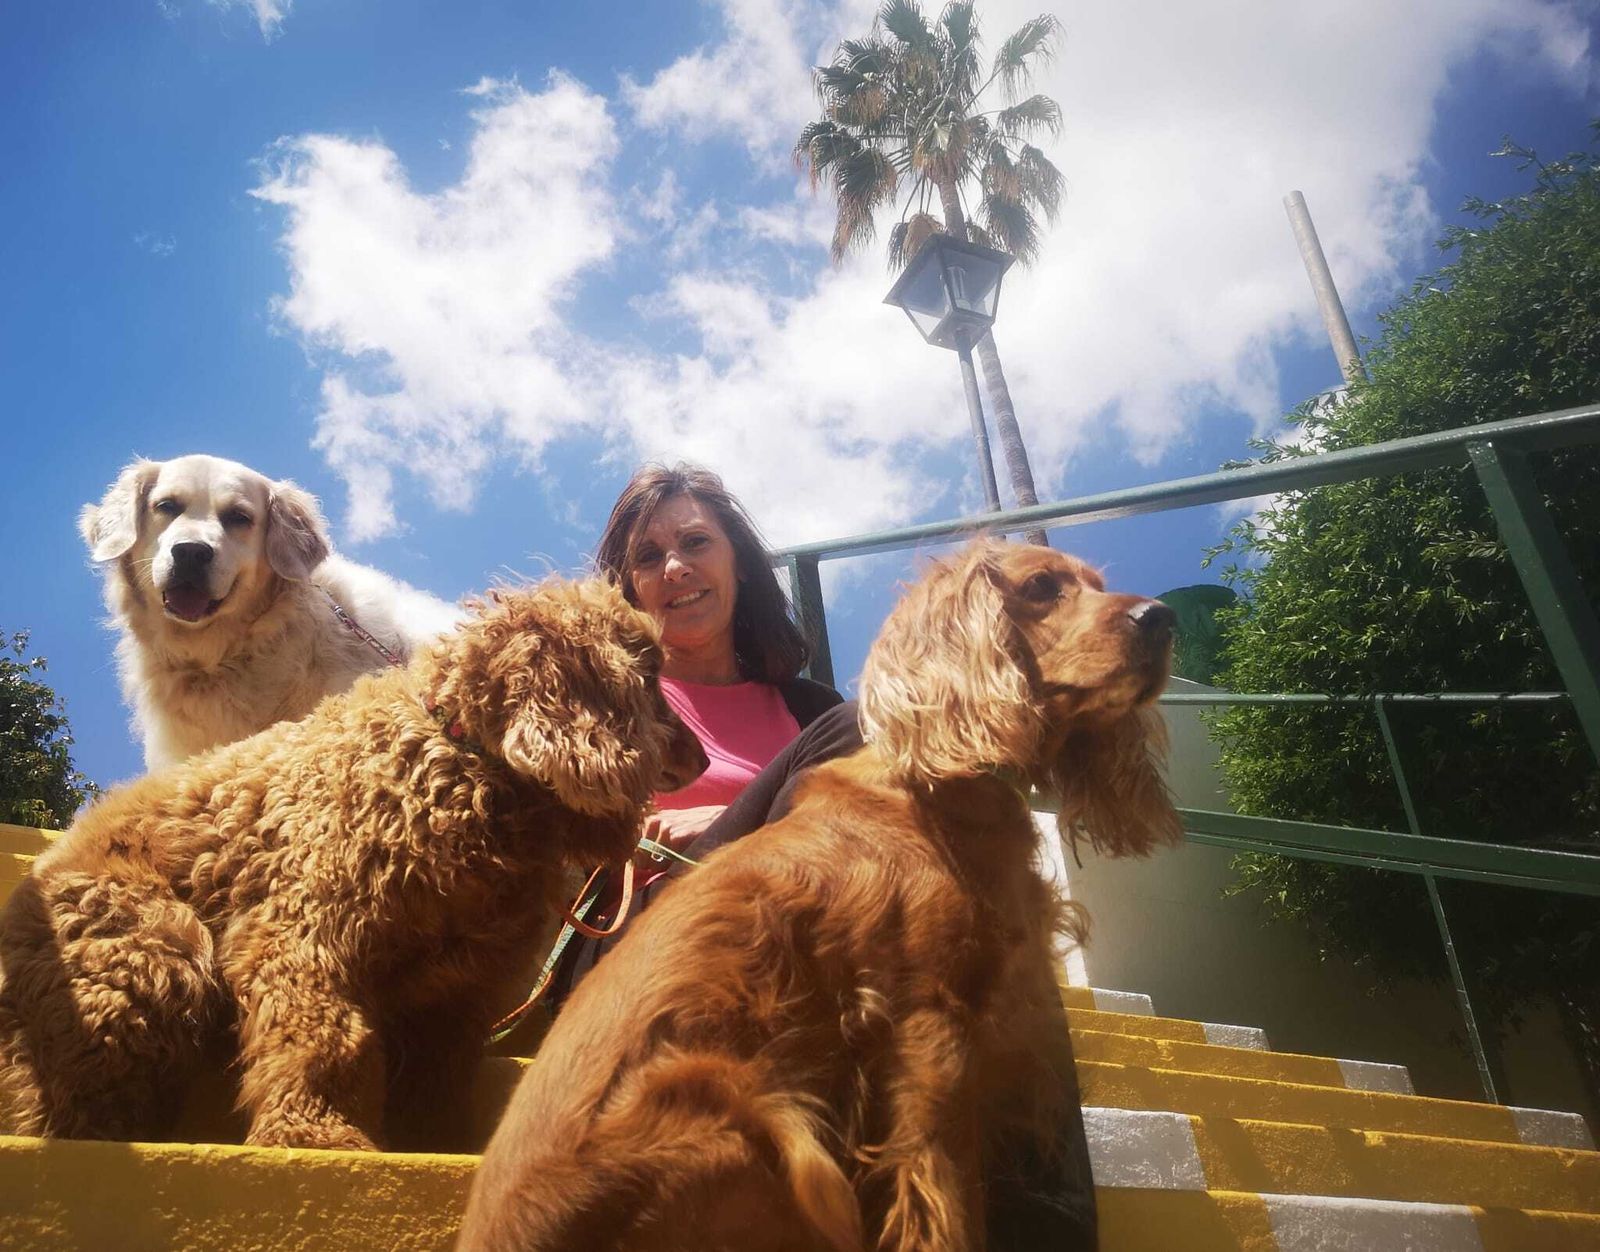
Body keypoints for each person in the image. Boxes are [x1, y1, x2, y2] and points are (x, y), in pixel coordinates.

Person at [548, 461, 1097, 1249]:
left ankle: (1047, 1222)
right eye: (647, 556)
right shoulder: (605, 697)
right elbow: (558, 830)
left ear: (736, 561)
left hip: (815, 940)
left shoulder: (809, 710)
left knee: (987, 934)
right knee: (877, 726)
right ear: (627, 587)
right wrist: (669, 821)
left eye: (696, 541)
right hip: (652, 938)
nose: (674, 566)